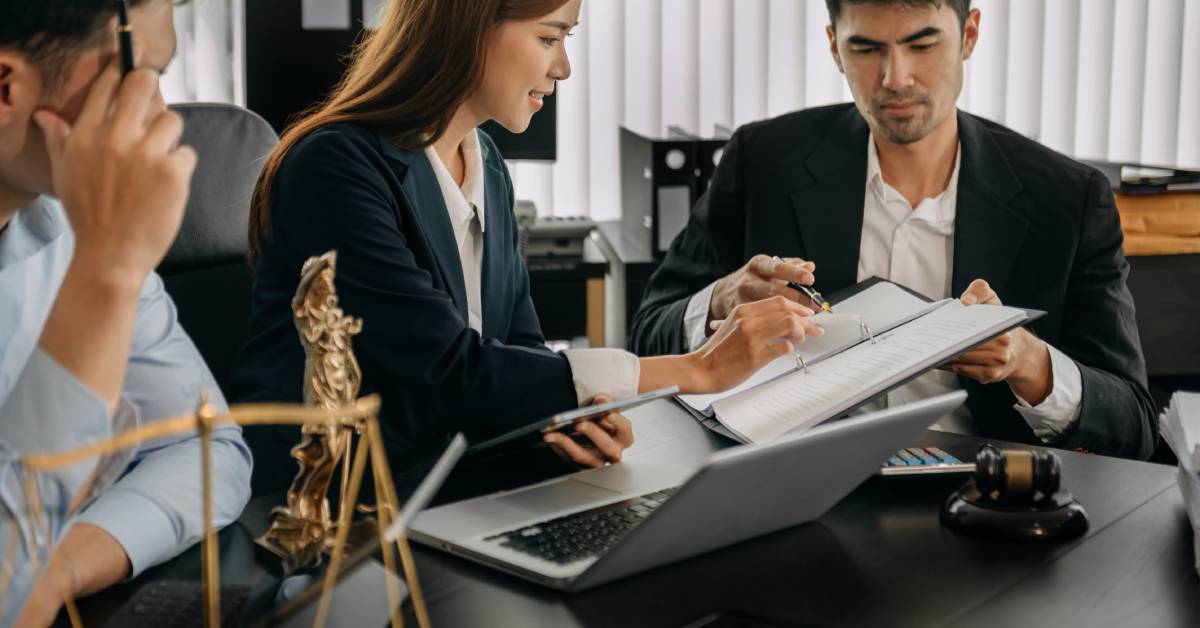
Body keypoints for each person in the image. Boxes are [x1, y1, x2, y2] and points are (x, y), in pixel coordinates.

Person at [233, 0, 822, 496]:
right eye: (550, 37)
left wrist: (570, 424)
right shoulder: (335, 167)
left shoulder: (485, 163)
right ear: (469, 25)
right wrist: (697, 370)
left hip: (449, 488)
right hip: (335, 509)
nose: (563, 67)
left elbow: (517, 349)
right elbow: (446, 377)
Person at [628, 0, 1157, 459]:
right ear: (835, 47)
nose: (895, 78)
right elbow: (648, 334)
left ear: (968, 35)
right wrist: (719, 301)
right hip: (789, 488)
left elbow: (1133, 423)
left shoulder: (1067, 196)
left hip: (988, 508)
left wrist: (1030, 364)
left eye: (922, 45)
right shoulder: (761, 160)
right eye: (867, 49)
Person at [0, 1, 252, 623]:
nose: (164, 118)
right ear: (6, 89)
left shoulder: (66, 227)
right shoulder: (101, 243)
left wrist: (59, 566)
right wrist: (108, 269)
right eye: (143, 78)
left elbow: (211, 449)